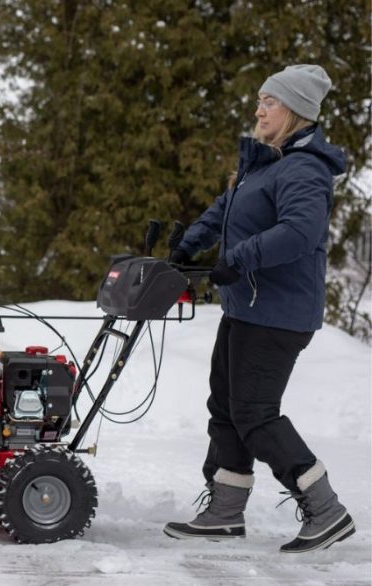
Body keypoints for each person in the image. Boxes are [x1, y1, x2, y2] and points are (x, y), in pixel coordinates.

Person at [161, 64, 354, 553]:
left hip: (279, 315)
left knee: (255, 413)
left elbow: (298, 234)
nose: (258, 108)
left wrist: (238, 259)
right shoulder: (264, 163)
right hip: (247, 307)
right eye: (260, 100)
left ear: (294, 111)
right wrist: (187, 245)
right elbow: (224, 212)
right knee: (226, 407)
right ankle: (225, 510)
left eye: (269, 101)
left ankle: (325, 508)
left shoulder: (304, 169)